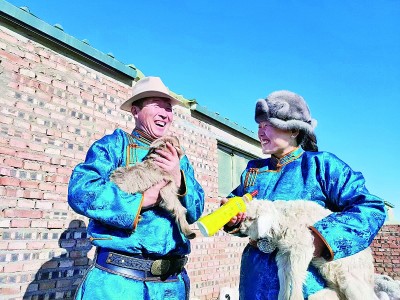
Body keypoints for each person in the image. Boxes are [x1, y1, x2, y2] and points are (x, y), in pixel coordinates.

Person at [223, 90, 386, 299]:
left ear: (293, 130)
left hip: (308, 285)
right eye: (260, 126)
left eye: (269, 125)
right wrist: (232, 220)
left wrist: (320, 239)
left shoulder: (321, 165)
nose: (261, 132)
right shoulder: (253, 171)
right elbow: (242, 218)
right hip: (254, 285)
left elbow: (371, 208)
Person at [68, 76, 205, 300]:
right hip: (117, 283)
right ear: (135, 111)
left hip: (171, 286)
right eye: (157, 106)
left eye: (169, 108)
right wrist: (142, 200)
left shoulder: (179, 159)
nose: (165, 114)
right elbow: (81, 190)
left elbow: (195, 211)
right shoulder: (113, 146)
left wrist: (177, 177)